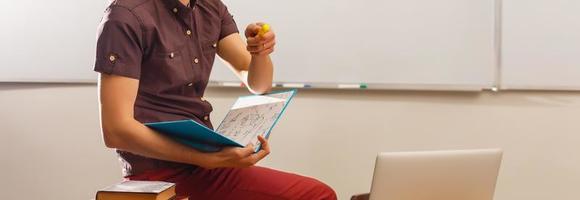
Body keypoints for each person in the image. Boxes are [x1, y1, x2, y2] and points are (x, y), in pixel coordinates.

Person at [94, 0, 337, 199]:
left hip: (207, 166)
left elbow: (258, 84)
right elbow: (116, 131)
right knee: (317, 196)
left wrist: (259, 52)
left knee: (318, 194)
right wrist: (207, 159)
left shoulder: (210, 7)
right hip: (158, 175)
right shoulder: (124, 16)